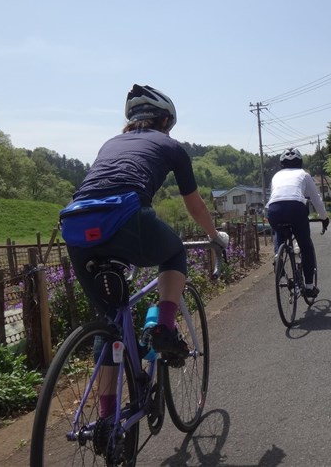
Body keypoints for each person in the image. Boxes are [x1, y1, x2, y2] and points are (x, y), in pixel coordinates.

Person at [61, 83, 228, 418]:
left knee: (110, 323)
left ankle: (108, 423)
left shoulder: (110, 143)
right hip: (124, 215)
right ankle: (164, 328)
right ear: (165, 121)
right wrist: (215, 236)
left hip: (76, 223)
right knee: (174, 254)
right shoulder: (171, 146)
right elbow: (194, 205)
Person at [266, 147, 329, 298]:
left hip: (273, 209)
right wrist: (324, 217)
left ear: (282, 164)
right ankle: (308, 286)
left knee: (279, 233)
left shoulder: (275, 176)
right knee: (306, 246)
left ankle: (278, 256)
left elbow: (273, 196)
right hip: (296, 208)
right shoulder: (304, 175)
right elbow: (316, 199)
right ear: (300, 162)